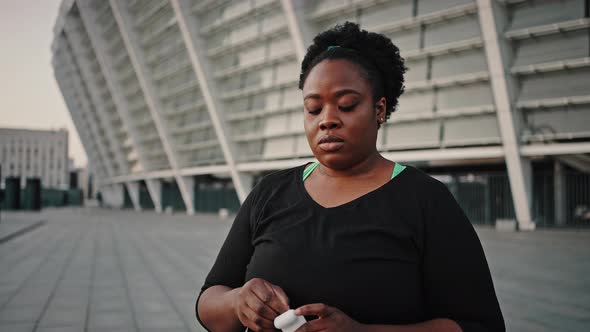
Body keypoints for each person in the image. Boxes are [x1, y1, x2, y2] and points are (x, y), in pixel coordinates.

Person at [196, 22, 505, 332]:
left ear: (379, 109)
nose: (327, 120)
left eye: (346, 105)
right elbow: (209, 300)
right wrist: (239, 303)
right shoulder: (270, 193)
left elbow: (478, 325)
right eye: (313, 109)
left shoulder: (426, 201)